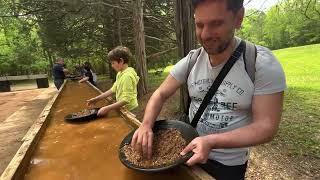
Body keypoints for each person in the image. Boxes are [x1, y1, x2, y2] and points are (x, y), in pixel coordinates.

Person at [130, 0, 286, 179]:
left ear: (239, 18)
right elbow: (160, 93)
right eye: (199, 25)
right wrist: (146, 124)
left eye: (216, 23)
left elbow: (266, 127)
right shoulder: (192, 60)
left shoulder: (260, 63)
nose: (205, 34)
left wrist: (210, 141)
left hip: (227, 165)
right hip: (186, 152)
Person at [87, 46, 139, 117]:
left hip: (131, 109)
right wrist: (96, 99)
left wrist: (107, 108)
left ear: (121, 61)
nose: (112, 66)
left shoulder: (127, 76)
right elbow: (112, 90)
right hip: (124, 108)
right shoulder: (120, 73)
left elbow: (126, 100)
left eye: (113, 63)